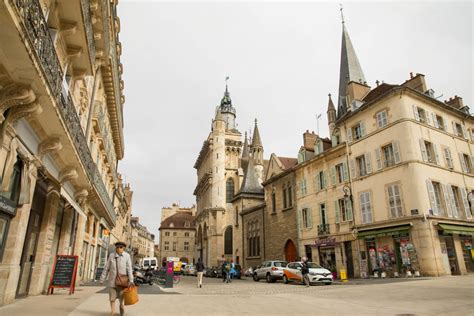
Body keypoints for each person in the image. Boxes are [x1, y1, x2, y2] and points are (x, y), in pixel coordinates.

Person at [100, 241, 134, 316]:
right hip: (112, 282)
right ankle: (112, 312)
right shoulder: (111, 256)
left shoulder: (127, 256)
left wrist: (131, 280)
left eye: (120, 247)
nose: (119, 248)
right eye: (117, 247)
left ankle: (121, 308)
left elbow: (129, 269)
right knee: (112, 299)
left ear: (124, 248)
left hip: (122, 282)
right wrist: (102, 278)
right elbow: (106, 268)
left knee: (121, 300)